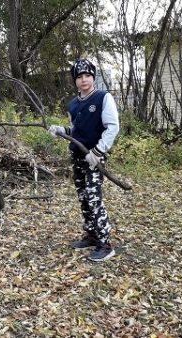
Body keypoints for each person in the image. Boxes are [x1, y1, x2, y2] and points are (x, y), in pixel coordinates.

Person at [48, 58, 120, 262]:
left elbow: (112, 127)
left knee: (94, 198)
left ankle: (105, 243)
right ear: (75, 80)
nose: (84, 80)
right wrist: (62, 130)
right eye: (79, 77)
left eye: (87, 75)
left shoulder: (103, 98)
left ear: (93, 77)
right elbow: (77, 130)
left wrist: (97, 153)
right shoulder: (73, 104)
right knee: (84, 198)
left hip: (94, 159)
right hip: (78, 156)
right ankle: (91, 235)